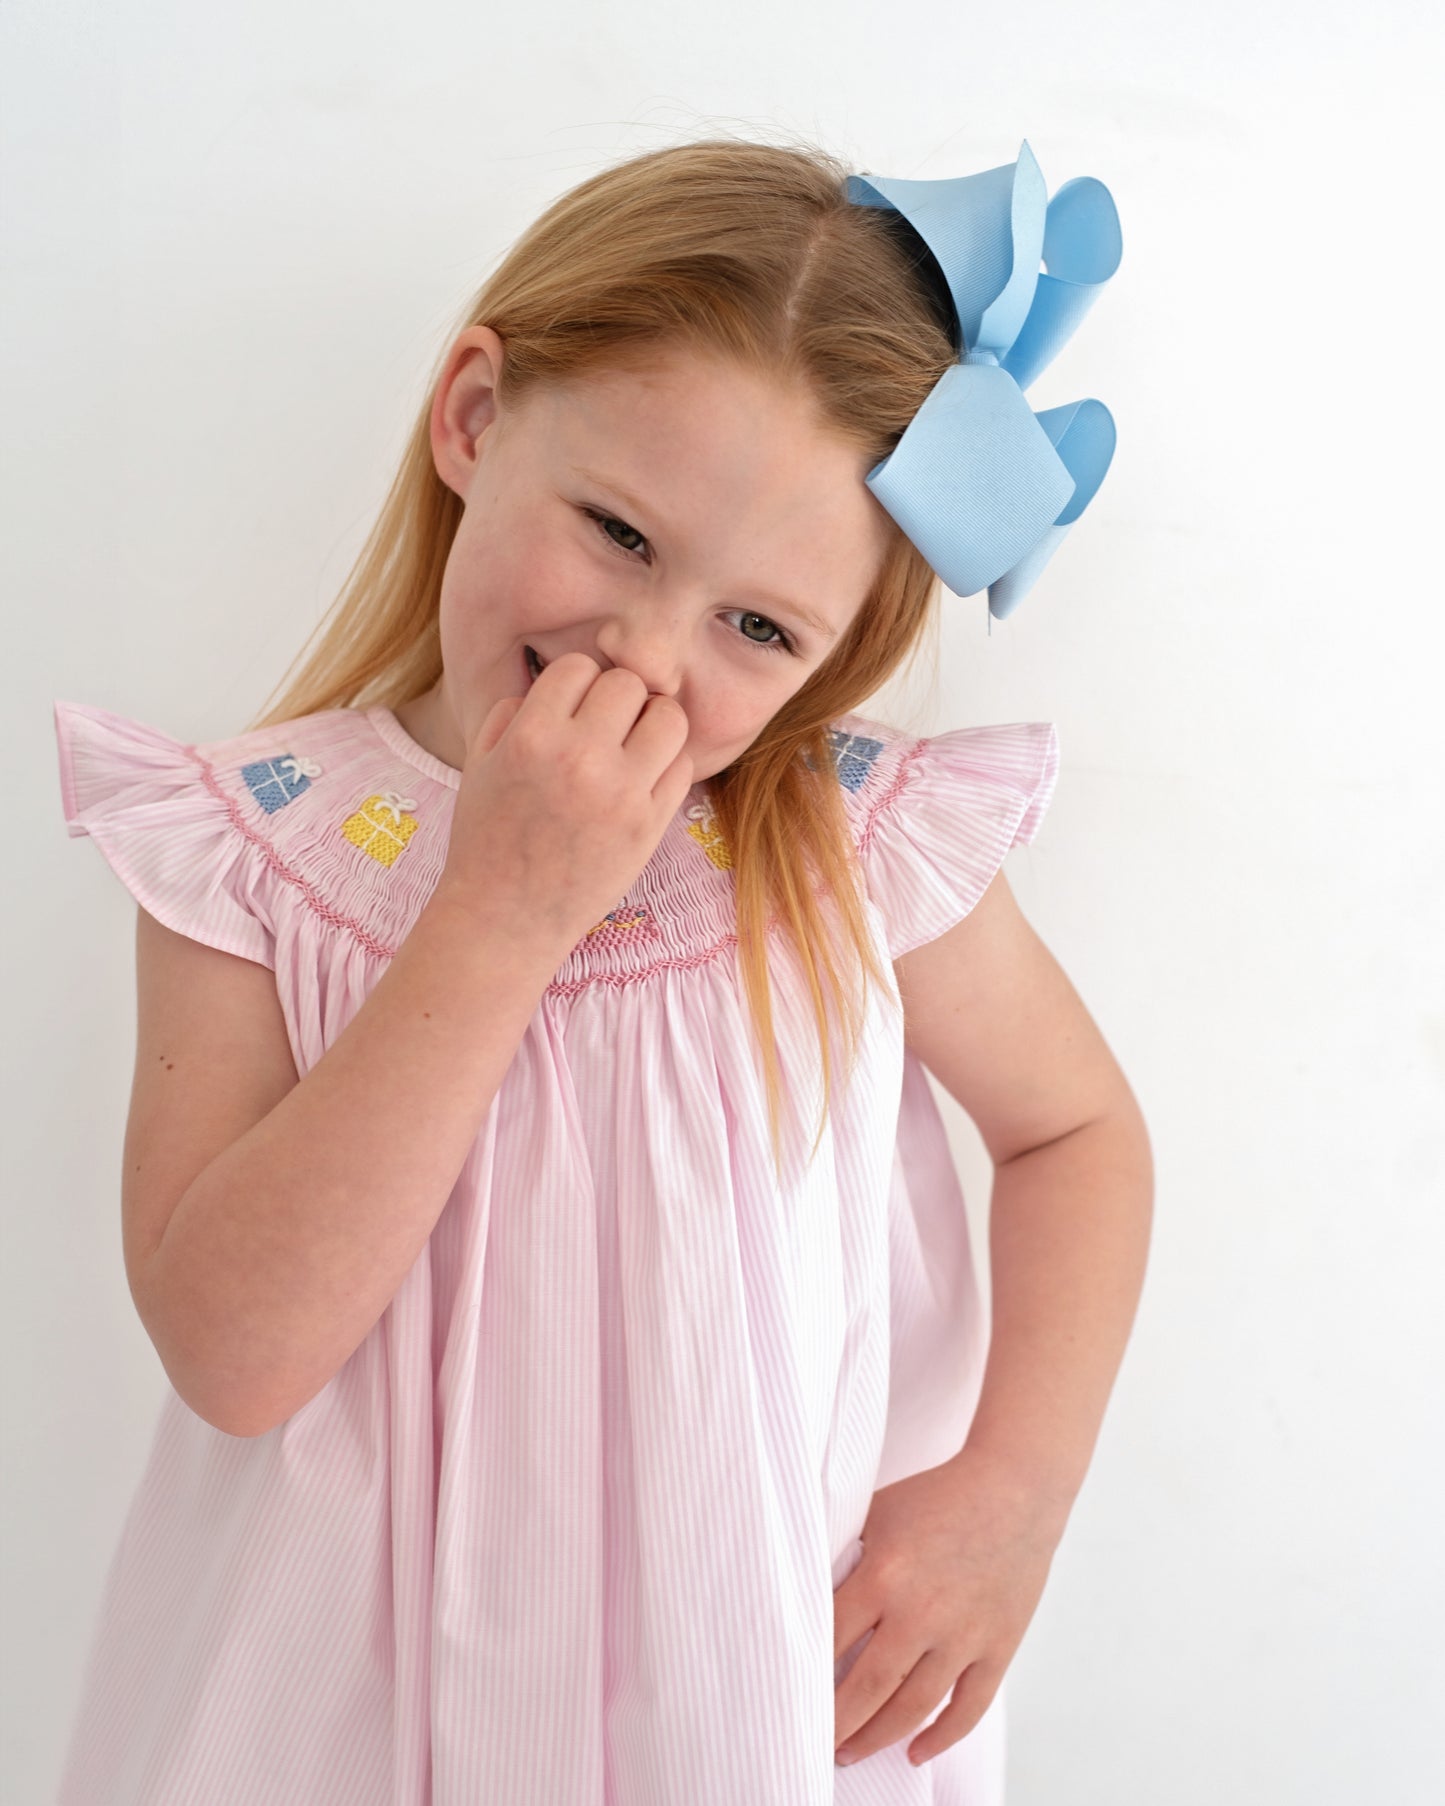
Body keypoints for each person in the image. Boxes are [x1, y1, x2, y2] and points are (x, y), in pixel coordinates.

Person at [50, 135, 1153, 1804]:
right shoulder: (250, 851)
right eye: (620, 533)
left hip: (747, 1680)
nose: (649, 650)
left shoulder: (846, 846)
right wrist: (499, 911)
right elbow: (231, 1352)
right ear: (476, 419)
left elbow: (1077, 1134)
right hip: (342, 1709)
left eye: (757, 629)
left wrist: (1016, 1488)